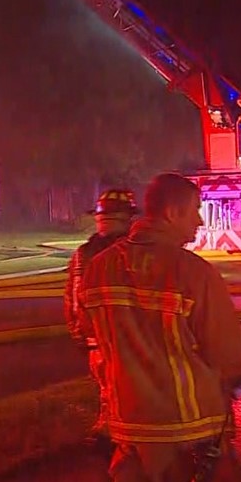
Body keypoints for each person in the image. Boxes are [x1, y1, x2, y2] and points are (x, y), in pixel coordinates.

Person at [79, 173, 241, 482]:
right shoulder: (194, 272)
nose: (199, 222)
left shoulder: (97, 269)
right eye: (195, 212)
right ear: (172, 213)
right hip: (195, 433)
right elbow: (227, 354)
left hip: (130, 431)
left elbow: (89, 333)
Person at [63, 189, 138, 443]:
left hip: (96, 340)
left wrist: (79, 335)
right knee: (126, 392)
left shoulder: (83, 254)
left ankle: (109, 434)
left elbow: (73, 299)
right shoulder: (131, 252)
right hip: (127, 341)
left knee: (109, 390)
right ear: (126, 218)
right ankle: (121, 441)